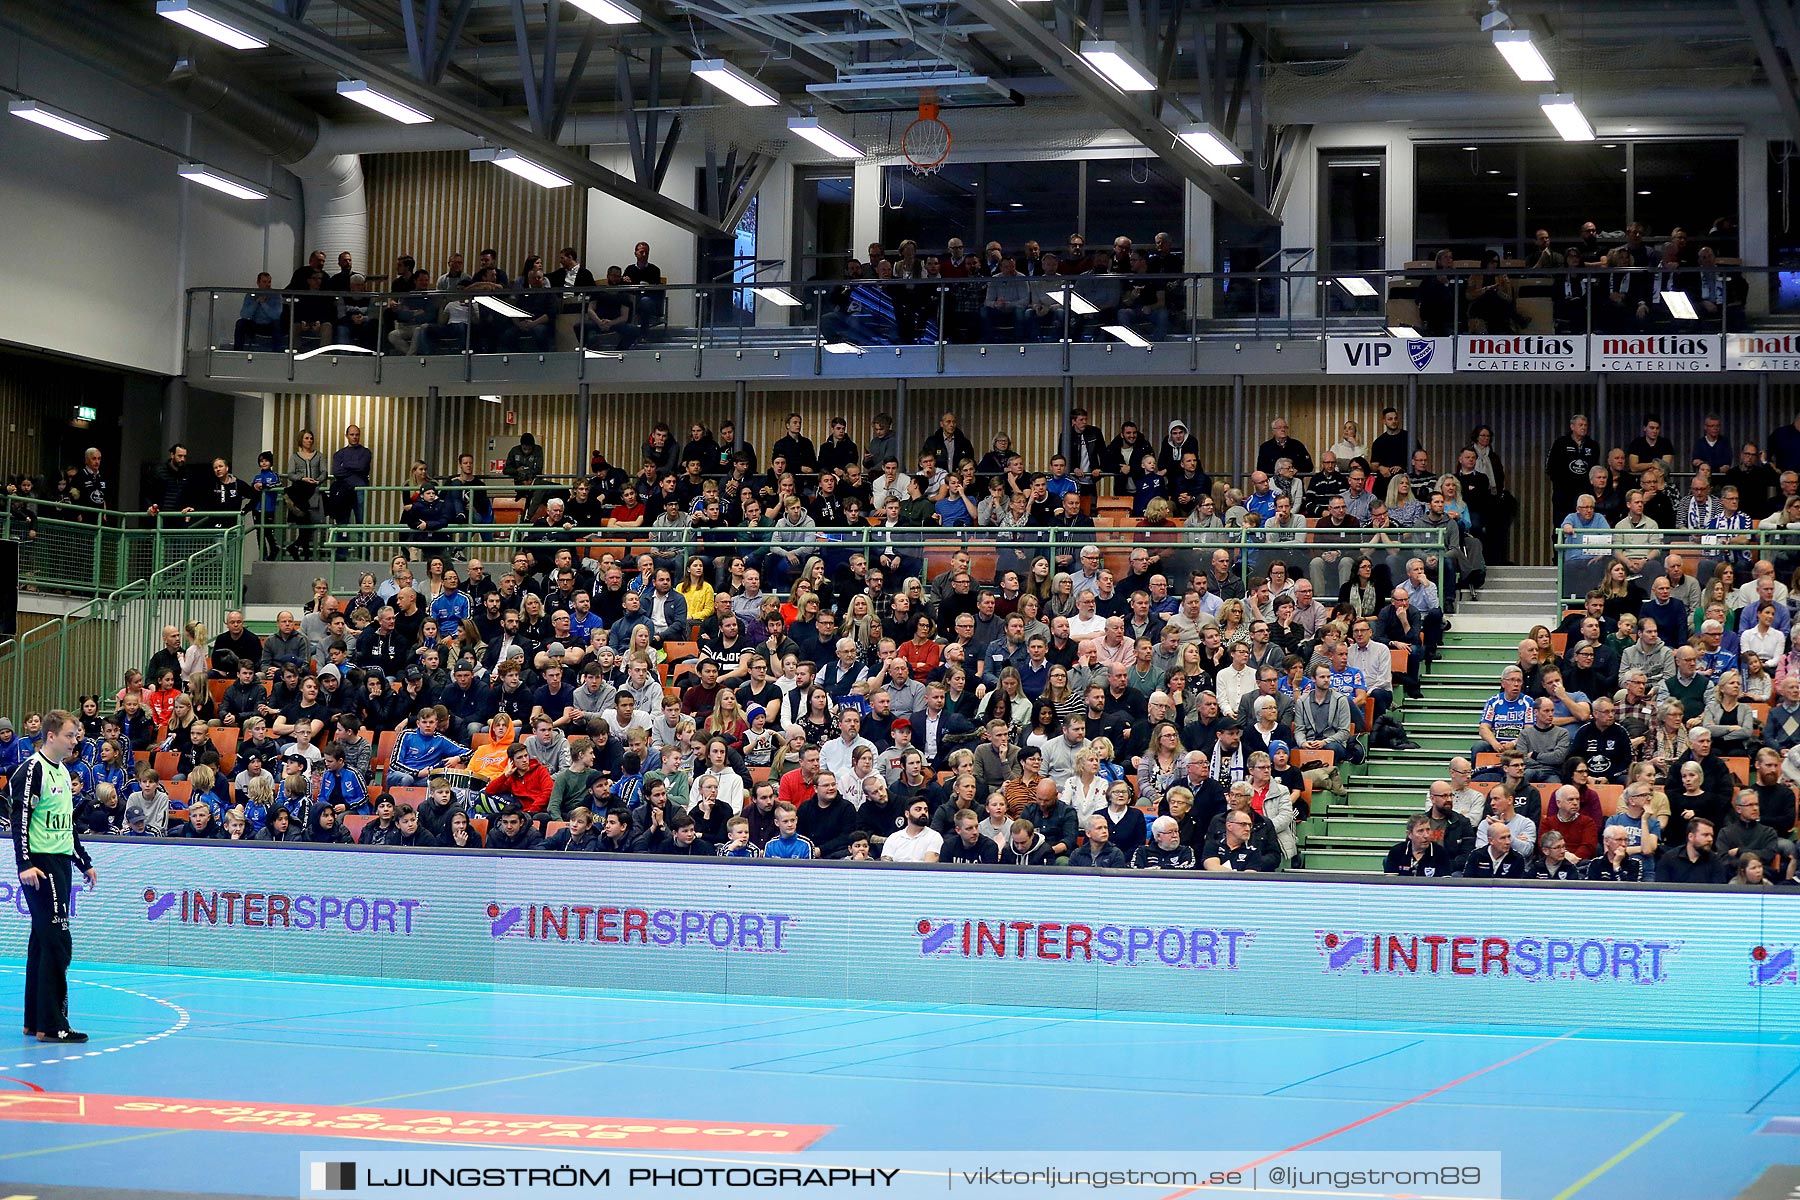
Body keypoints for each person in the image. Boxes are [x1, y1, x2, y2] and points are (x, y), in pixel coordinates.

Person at [10, 710, 97, 1043]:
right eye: (70, 735)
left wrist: (82, 861)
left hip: (59, 862)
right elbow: (20, 819)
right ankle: (53, 1023)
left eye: (76, 736)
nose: (75, 741)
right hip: (40, 865)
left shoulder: (63, 772)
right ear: (51, 735)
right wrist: (24, 864)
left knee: (42, 942)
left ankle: (36, 1020)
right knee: (59, 941)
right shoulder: (33, 770)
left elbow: (66, 824)